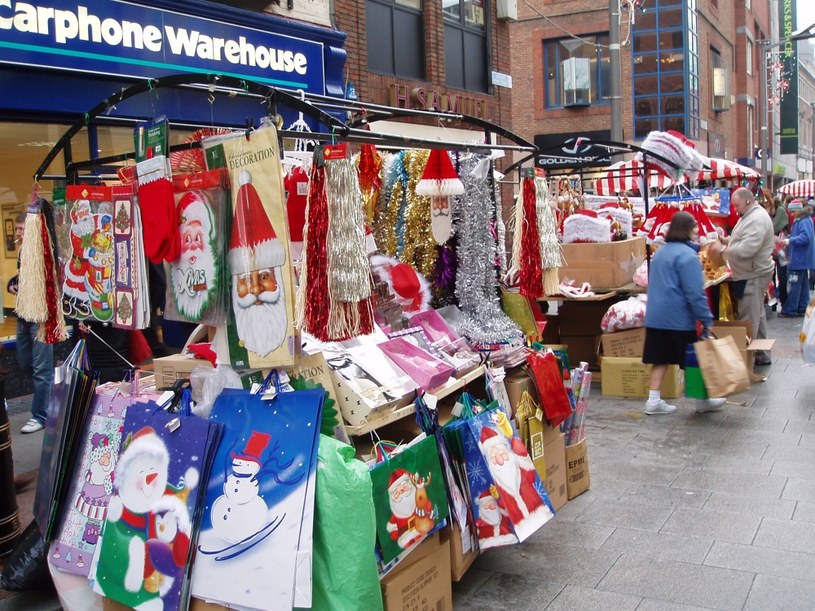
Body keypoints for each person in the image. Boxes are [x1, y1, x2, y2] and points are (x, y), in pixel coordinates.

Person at [642, 211, 726, 415]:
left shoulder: (661, 251)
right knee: (692, 360)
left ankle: (653, 400)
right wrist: (706, 319)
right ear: (687, 229)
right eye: (695, 226)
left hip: (656, 316)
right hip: (678, 318)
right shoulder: (687, 256)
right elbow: (695, 293)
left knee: (660, 358)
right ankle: (703, 401)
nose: (697, 231)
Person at [7, 212, 54, 433]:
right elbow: (21, 277)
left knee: (41, 369)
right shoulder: (21, 252)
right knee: (25, 363)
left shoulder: (42, 252)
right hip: (24, 316)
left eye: (22, 229)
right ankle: (52, 399)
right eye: (17, 229)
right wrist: (13, 284)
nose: (18, 233)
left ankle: (40, 415)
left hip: (40, 317)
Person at [721, 187, 774, 374]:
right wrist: (726, 240)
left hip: (753, 274)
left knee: (749, 318)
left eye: (737, 205)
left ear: (748, 201)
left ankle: (747, 360)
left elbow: (747, 249)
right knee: (757, 314)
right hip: (752, 272)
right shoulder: (750, 215)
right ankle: (761, 355)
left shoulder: (756, 219)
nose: (735, 209)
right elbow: (740, 241)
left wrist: (722, 252)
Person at [779, 199, 815, 317]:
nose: (791, 214)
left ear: (798, 210)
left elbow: (805, 238)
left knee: (794, 284)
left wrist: (789, 240)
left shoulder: (803, 220)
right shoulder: (804, 219)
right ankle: (802, 307)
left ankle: (790, 309)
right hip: (802, 259)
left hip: (799, 258)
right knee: (803, 284)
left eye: (793, 212)